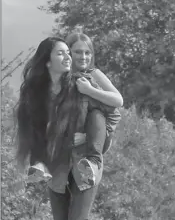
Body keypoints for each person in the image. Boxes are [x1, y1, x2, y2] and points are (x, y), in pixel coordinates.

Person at [15, 37, 120, 220]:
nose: (69, 58)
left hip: (84, 160)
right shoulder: (36, 93)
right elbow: (34, 130)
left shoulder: (82, 82)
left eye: (68, 53)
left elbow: (111, 109)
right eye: (62, 54)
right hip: (56, 163)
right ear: (47, 60)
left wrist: (88, 140)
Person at [27, 33, 122, 187]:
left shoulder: (93, 74)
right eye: (77, 52)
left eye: (87, 52)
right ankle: (39, 165)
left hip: (97, 136)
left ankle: (92, 164)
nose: (83, 57)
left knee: (95, 114)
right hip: (69, 134)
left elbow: (118, 101)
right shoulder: (64, 77)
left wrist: (90, 90)